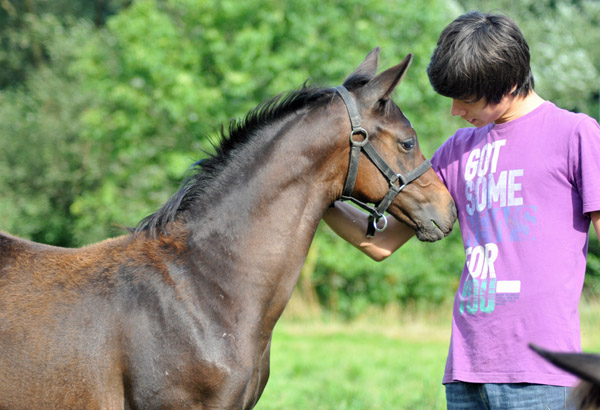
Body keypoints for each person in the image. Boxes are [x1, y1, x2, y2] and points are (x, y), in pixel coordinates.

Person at [323, 11, 600, 409]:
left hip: (542, 378)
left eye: (465, 98)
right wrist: (321, 195)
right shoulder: (457, 150)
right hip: (466, 374)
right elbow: (380, 242)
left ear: (507, 84)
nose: (454, 110)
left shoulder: (575, 134)